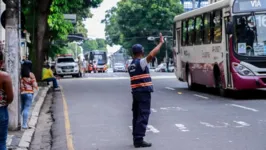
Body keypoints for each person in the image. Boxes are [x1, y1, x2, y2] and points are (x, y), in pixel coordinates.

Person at [128, 33, 164, 148]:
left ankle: (136, 138)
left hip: (136, 93)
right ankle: (139, 139)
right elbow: (152, 54)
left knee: (137, 115)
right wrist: (160, 43)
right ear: (141, 52)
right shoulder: (141, 63)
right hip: (143, 93)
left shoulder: (131, 65)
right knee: (143, 115)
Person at [0, 51, 14, 150]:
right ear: (1, 62)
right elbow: (10, 97)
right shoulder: (5, 77)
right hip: (1, 111)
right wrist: (5, 103)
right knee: (1, 142)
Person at [20, 61, 38, 129]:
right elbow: (34, 85)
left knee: (22, 108)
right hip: (29, 93)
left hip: (22, 93)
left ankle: (20, 123)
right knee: (26, 109)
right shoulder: (31, 74)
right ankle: (24, 125)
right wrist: (35, 85)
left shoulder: (21, 74)